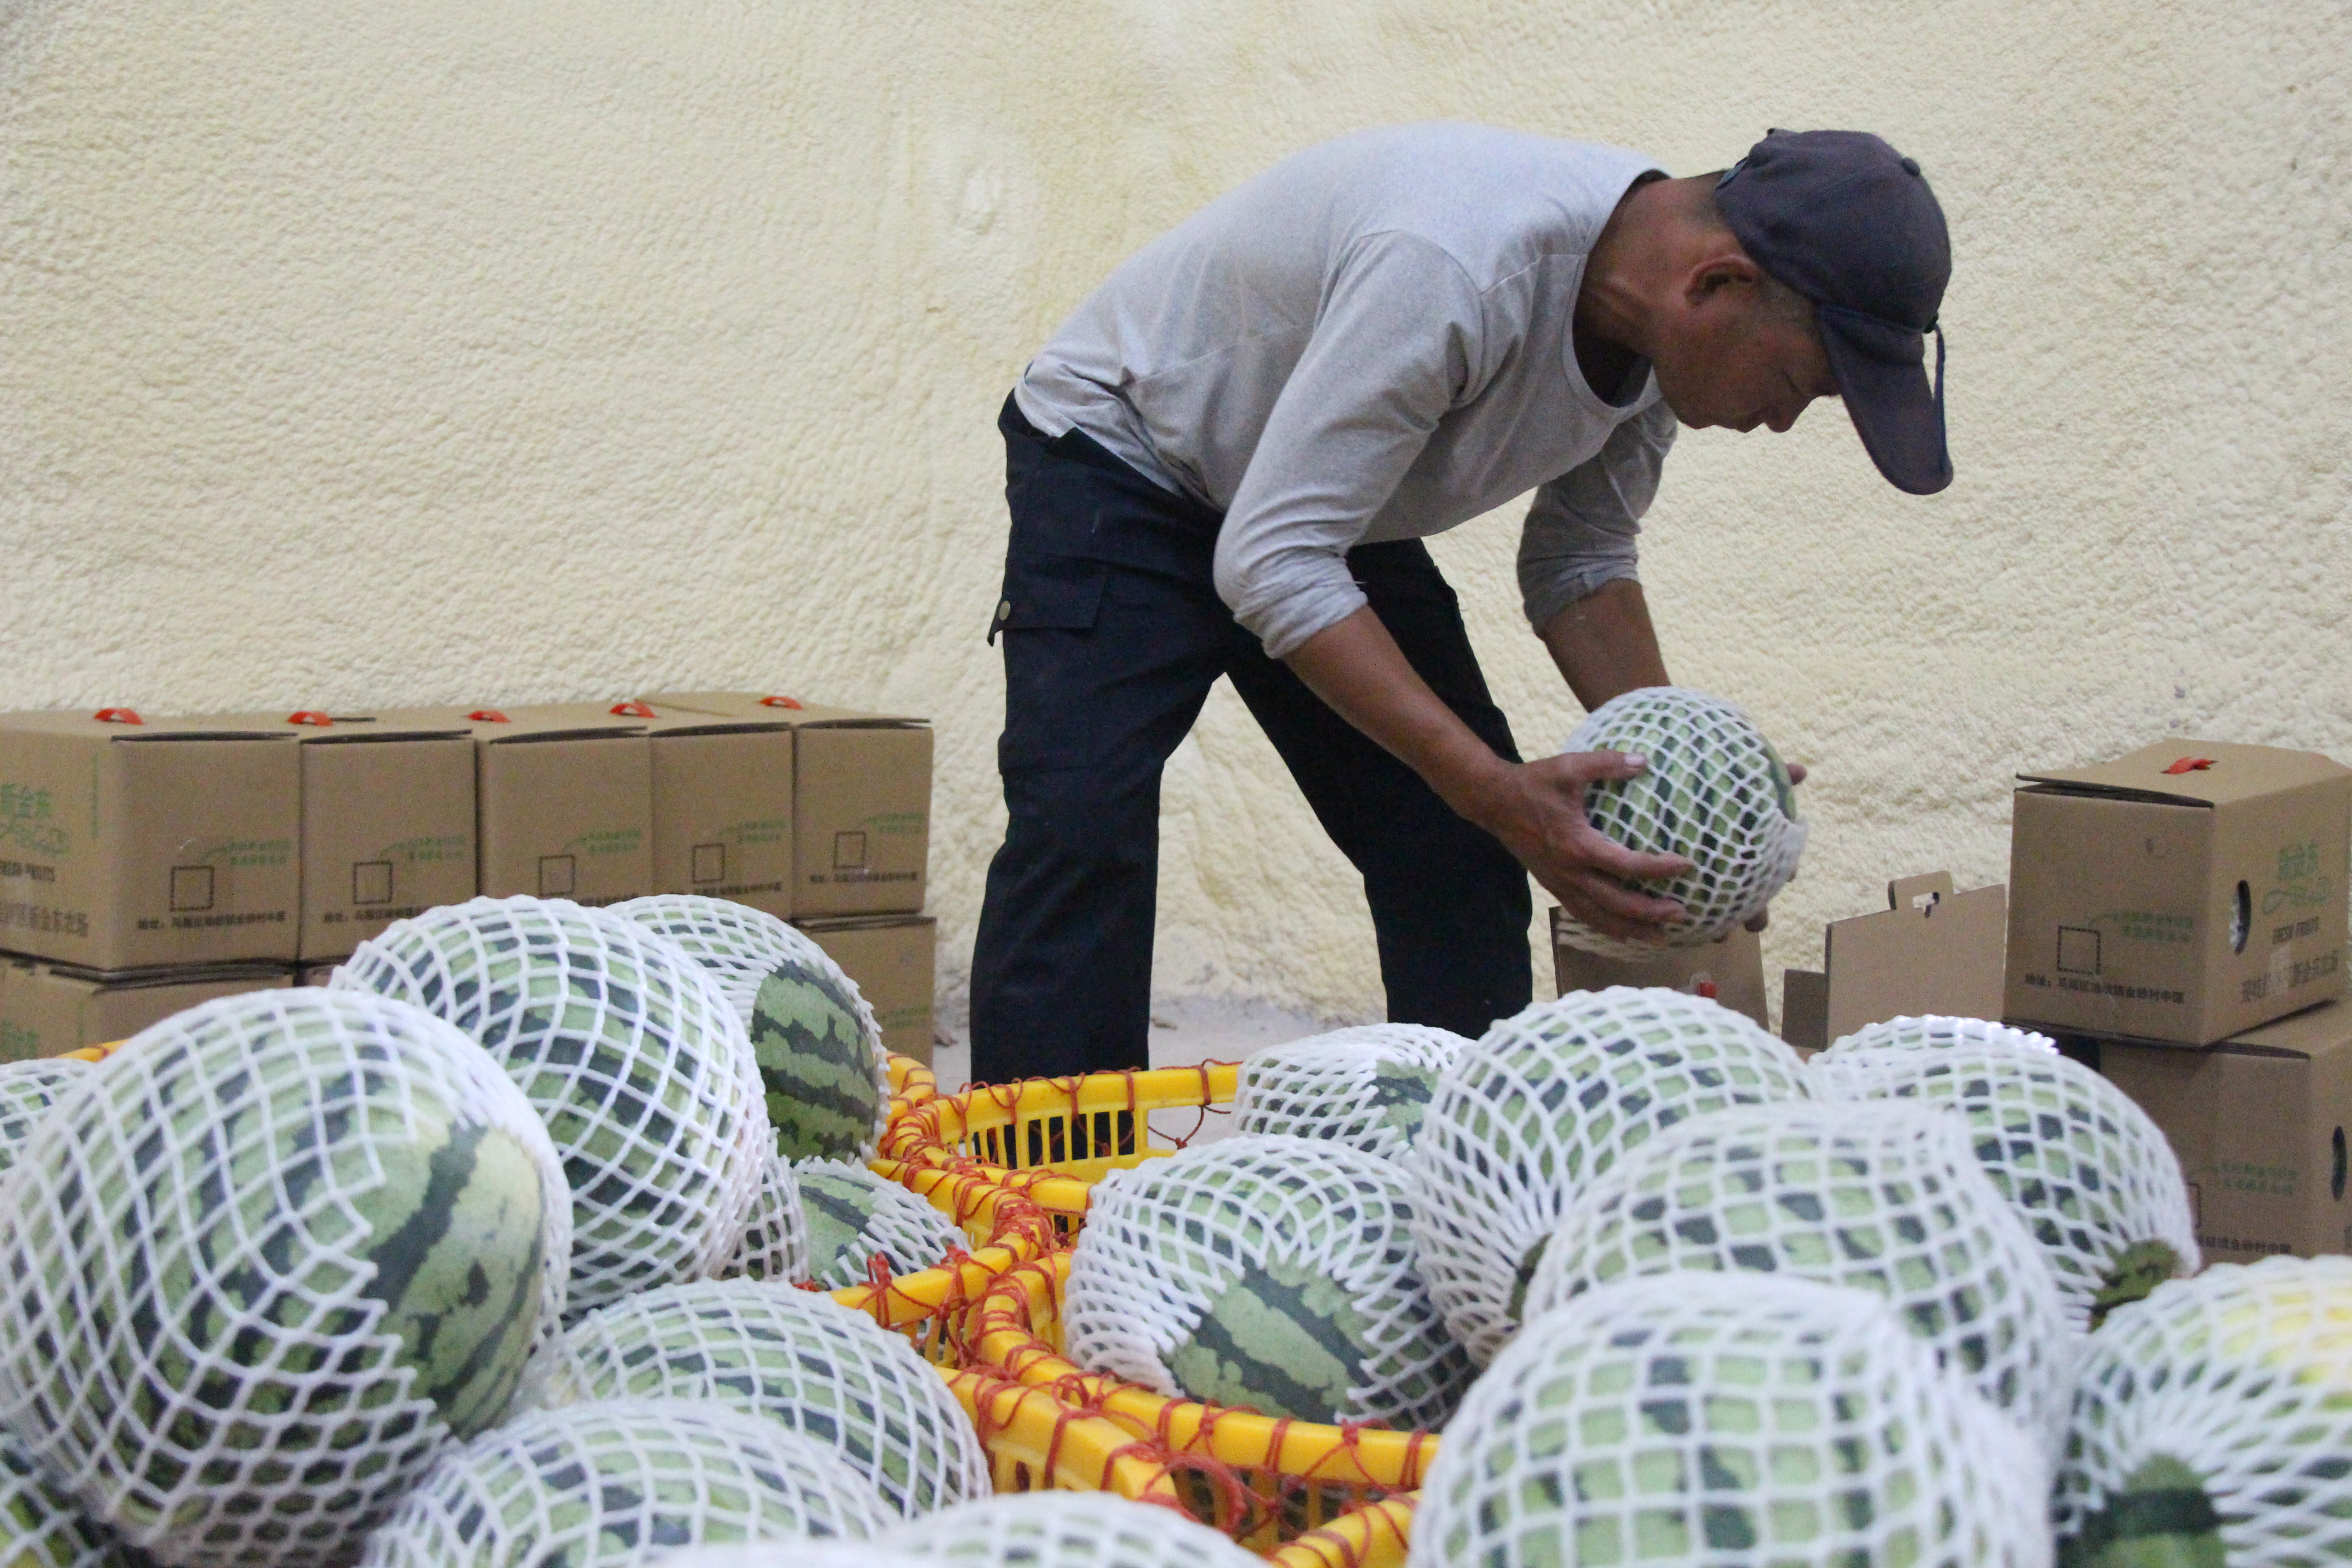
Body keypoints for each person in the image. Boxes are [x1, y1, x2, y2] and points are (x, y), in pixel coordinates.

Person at [968, 123, 1951, 1084]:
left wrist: (1692, 786)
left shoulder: (1657, 335)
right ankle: (1043, 1211)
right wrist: (1494, 787)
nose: (1781, 421)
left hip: (1322, 512)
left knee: (1461, 851)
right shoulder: (1455, 267)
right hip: (1127, 454)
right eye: (1795, 383)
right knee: (1083, 830)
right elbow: (1272, 560)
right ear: (1718, 284)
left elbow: (1580, 561)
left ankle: (1467, 1170)